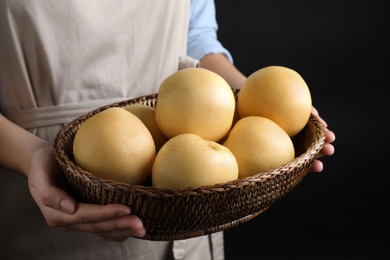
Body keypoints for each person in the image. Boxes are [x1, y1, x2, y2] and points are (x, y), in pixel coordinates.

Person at [0, 0, 335, 259]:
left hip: (193, 167)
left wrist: (254, 101)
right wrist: (32, 156)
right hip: (46, 176)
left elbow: (195, 36)